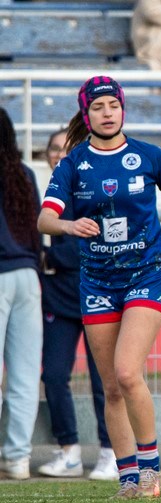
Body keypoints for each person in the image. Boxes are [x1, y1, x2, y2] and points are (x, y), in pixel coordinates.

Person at [37, 75, 161, 499]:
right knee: (111, 386)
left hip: (146, 274)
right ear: (86, 114)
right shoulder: (73, 164)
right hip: (97, 281)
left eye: (113, 105)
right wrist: (69, 225)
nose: (108, 113)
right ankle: (127, 478)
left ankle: (150, 468)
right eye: (98, 107)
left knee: (126, 371)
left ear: (123, 109)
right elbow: (45, 219)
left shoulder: (148, 155)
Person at [37, 128, 118, 481]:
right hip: (58, 299)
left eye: (66, 150)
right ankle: (68, 451)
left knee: (105, 380)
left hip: (97, 295)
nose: (59, 155)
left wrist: (52, 257)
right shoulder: (47, 197)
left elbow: (95, 244)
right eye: (54, 149)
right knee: (54, 375)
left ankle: (111, 452)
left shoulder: (95, 190)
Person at [0, 106, 43, 481]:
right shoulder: (25, 175)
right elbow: (37, 232)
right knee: (25, 375)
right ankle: (18, 458)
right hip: (28, 277)